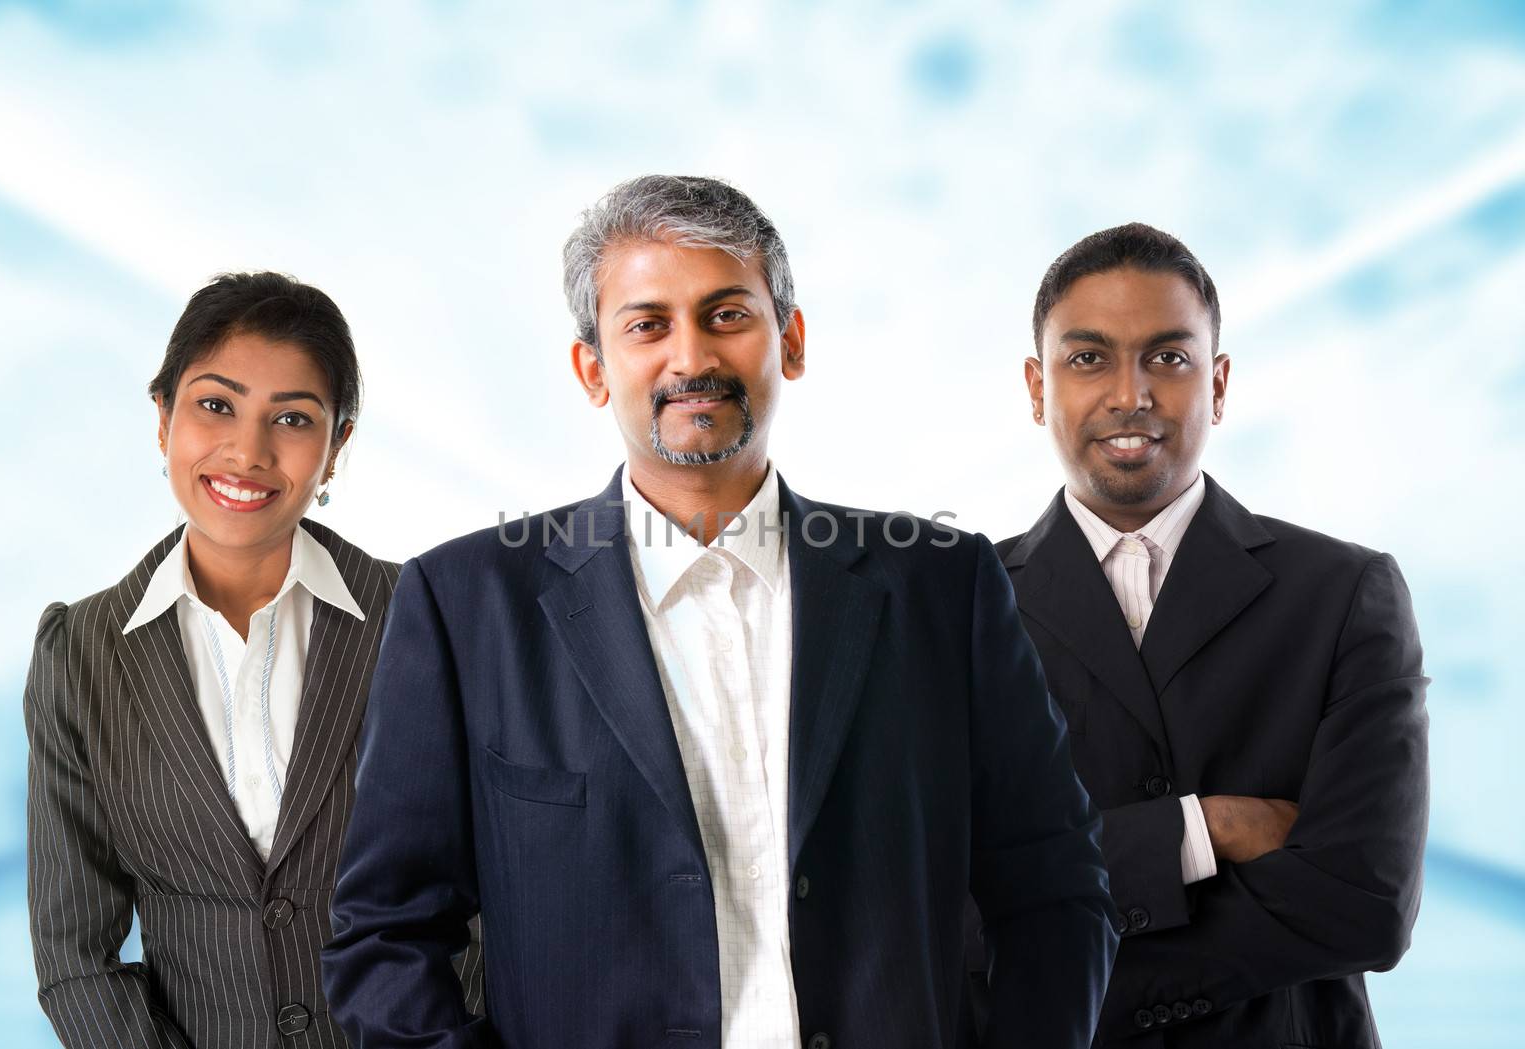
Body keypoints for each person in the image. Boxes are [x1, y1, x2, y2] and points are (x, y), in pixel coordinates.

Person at [322, 175, 1117, 1049]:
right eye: (647, 324)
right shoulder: (464, 607)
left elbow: (1056, 890)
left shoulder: (943, 584)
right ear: (593, 369)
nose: (690, 356)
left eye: (727, 314)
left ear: (792, 339)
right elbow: (385, 934)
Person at [972, 223, 1429, 1046]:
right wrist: (1201, 829)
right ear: (1038, 388)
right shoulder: (962, 608)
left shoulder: (1343, 594)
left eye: (1168, 358)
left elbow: (1368, 901)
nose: (1130, 393)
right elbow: (942, 904)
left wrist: (1074, 969)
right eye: (1089, 358)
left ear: (1217, 384)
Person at [24, 272, 480, 1048]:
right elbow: (76, 953)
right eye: (215, 405)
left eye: (293, 418)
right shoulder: (80, 652)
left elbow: (498, 895)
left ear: (336, 446)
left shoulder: (429, 620)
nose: (248, 450)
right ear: (163, 417)